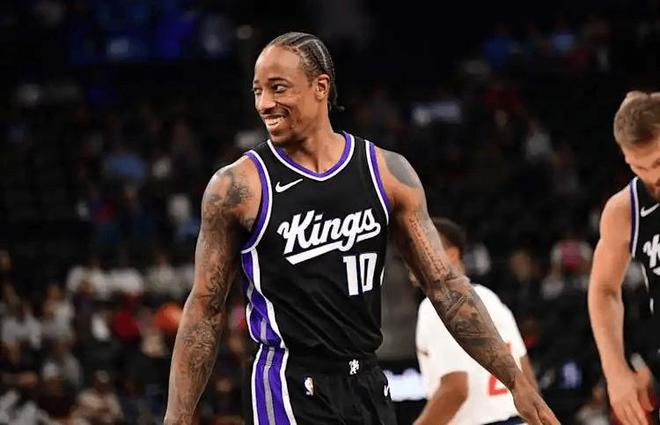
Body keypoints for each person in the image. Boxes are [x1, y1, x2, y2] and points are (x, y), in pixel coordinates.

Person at [164, 32, 558, 425]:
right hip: (288, 383)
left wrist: (515, 381)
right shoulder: (237, 187)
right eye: (257, 91)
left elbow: (445, 286)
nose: (264, 103)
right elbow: (205, 309)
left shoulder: (386, 172)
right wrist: (176, 418)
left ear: (321, 87)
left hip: (367, 381)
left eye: (278, 88)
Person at [415, 218, 539, 425]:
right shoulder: (492, 299)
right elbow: (528, 383)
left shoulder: (436, 306)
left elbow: (455, 390)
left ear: (451, 255)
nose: (410, 258)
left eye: (417, 249)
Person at [588, 91, 660, 425]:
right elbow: (603, 289)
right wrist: (615, 370)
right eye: (637, 166)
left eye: (657, 162)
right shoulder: (624, 210)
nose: (651, 176)